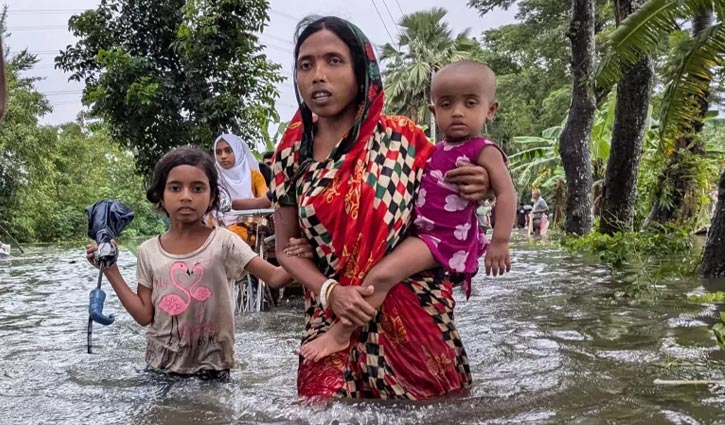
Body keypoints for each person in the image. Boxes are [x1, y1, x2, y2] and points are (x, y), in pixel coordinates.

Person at [272, 16, 492, 399]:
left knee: (436, 410)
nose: (317, 75)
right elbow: (284, 250)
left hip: (413, 313)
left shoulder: (403, 138)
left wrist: (482, 184)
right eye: (306, 64)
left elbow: (447, 209)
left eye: (333, 61)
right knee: (317, 408)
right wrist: (329, 292)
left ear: (362, 72)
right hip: (331, 316)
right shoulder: (291, 154)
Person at [299, 60, 516, 362]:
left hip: (441, 238)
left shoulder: (484, 150)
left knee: (382, 275)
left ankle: (340, 334)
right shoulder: (429, 148)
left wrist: (500, 240)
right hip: (423, 233)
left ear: (490, 109)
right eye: (446, 104)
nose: (457, 112)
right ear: (433, 111)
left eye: (470, 103)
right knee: (383, 273)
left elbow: (507, 192)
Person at [84, 146, 303, 379]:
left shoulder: (224, 241)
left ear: (212, 198)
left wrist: (304, 253)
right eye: (175, 188)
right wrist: (111, 269)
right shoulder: (148, 251)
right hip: (160, 369)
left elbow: (276, 277)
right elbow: (144, 316)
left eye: (197, 188)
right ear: (161, 196)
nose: (186, 196)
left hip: (213, 368)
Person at [214, 134, 270, 243]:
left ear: (238, 151)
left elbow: (265, 202)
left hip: (251, 227)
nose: (223, 156)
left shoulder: (254, 176)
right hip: (217, 227)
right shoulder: (213, 178)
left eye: (228, 151)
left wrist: (229, 204)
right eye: (218, 152)